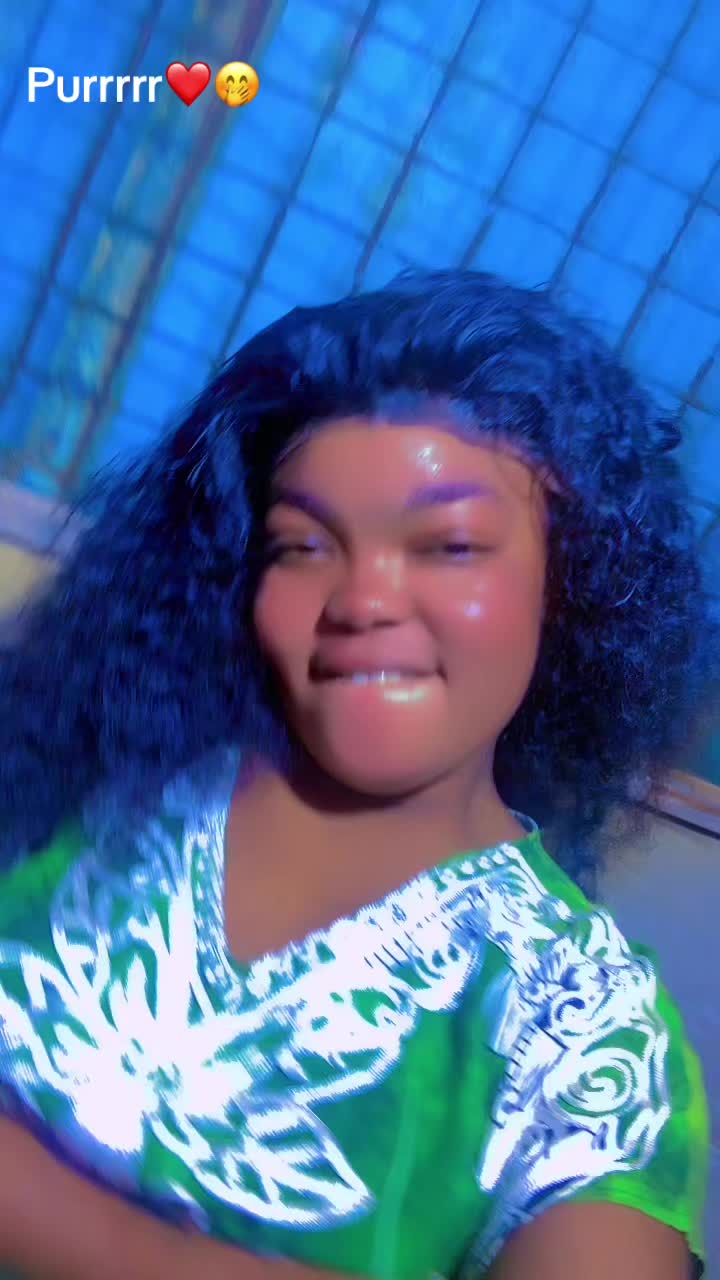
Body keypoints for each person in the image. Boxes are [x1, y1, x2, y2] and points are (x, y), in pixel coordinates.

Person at [0, 269, 715, 1280]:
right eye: (303, 545)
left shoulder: (581, 1032)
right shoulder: (80, 777)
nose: (364, 600)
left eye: (449, 545)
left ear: (573, 586)